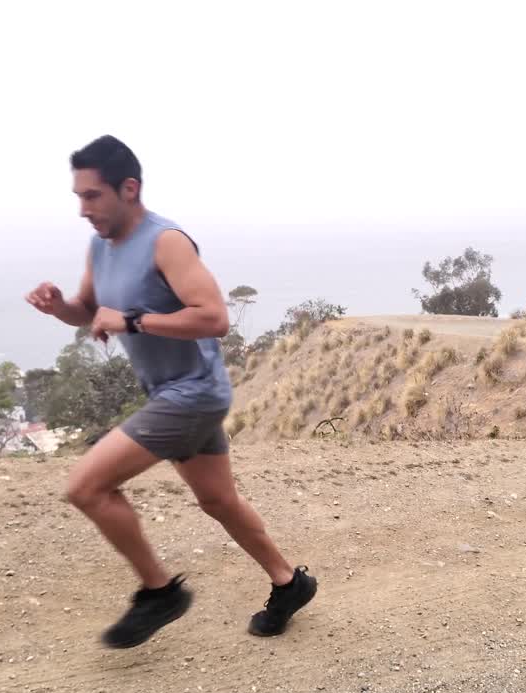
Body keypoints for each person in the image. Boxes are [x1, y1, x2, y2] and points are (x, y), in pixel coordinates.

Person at [25, 135, 316, 649]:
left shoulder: (167, 242)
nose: (82, 209)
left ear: (128, 188)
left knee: (86, 487)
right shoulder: (101, 246)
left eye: (91, 196)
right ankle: (289, 584)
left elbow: (215, 318)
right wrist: (59, 308)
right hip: (175, 392)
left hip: (192, 393)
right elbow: (92, 311)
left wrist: (133, 321)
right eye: (79, 196)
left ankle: (159, 593)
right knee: (218, 500)